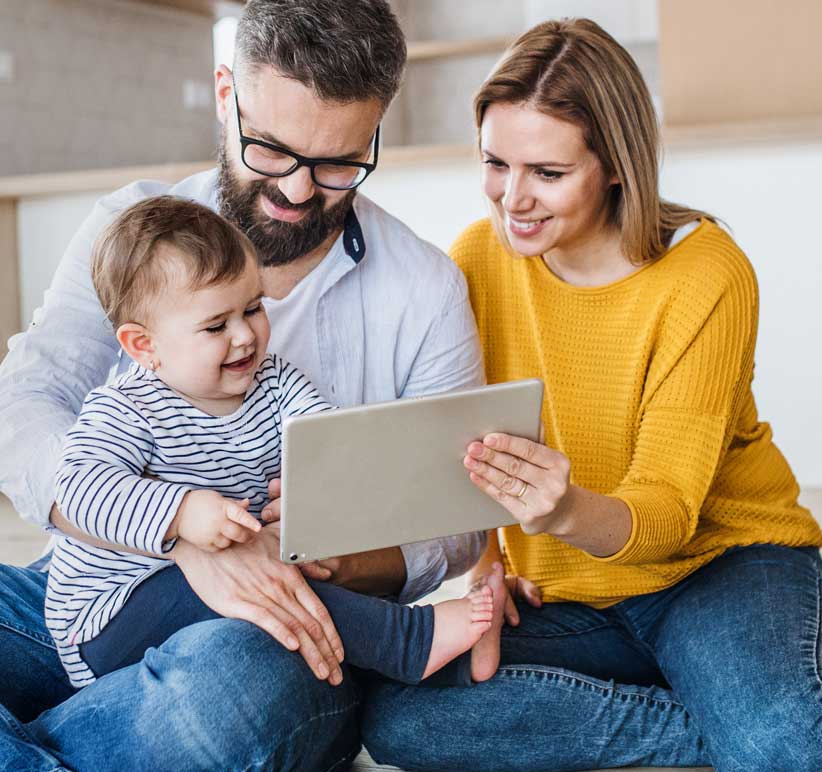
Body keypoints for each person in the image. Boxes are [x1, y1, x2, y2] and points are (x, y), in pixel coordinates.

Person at [0, 4, 710, 772]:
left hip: (282, 644)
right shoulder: (129, 232)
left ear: (375, 133)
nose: (291, 190)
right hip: (82, 602)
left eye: (334, 164)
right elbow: (15, 419)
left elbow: (444, 528)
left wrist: (310, 558)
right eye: (270, 148)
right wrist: (175, 538)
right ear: (226, 93)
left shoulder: (421, 289)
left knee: (236, 693)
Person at [354, 18, 822, 772]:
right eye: (495, 162)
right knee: (399, 716)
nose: (511, 198)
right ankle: (729, 727)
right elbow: (465, 441)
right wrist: (490, 565)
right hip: (570, 598)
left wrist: (559, 509)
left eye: (547, 172)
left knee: (799, 760)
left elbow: (665, 512)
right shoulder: (475, 260)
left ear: (617, 167)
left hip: (721, 568)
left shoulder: (705, 274)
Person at [44, 196, 498, 690]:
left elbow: (330, 444)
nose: (244, 336)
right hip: (113, 613)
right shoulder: (126, 409)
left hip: (238, 583)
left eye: (254, 308)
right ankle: (410, 639)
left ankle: (437, 664)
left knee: (289, 581)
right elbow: (78, 489)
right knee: (268, 587)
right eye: (216, 325)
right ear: (143, 346)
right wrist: (182, 514)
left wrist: (324, 497)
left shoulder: (276, 382)